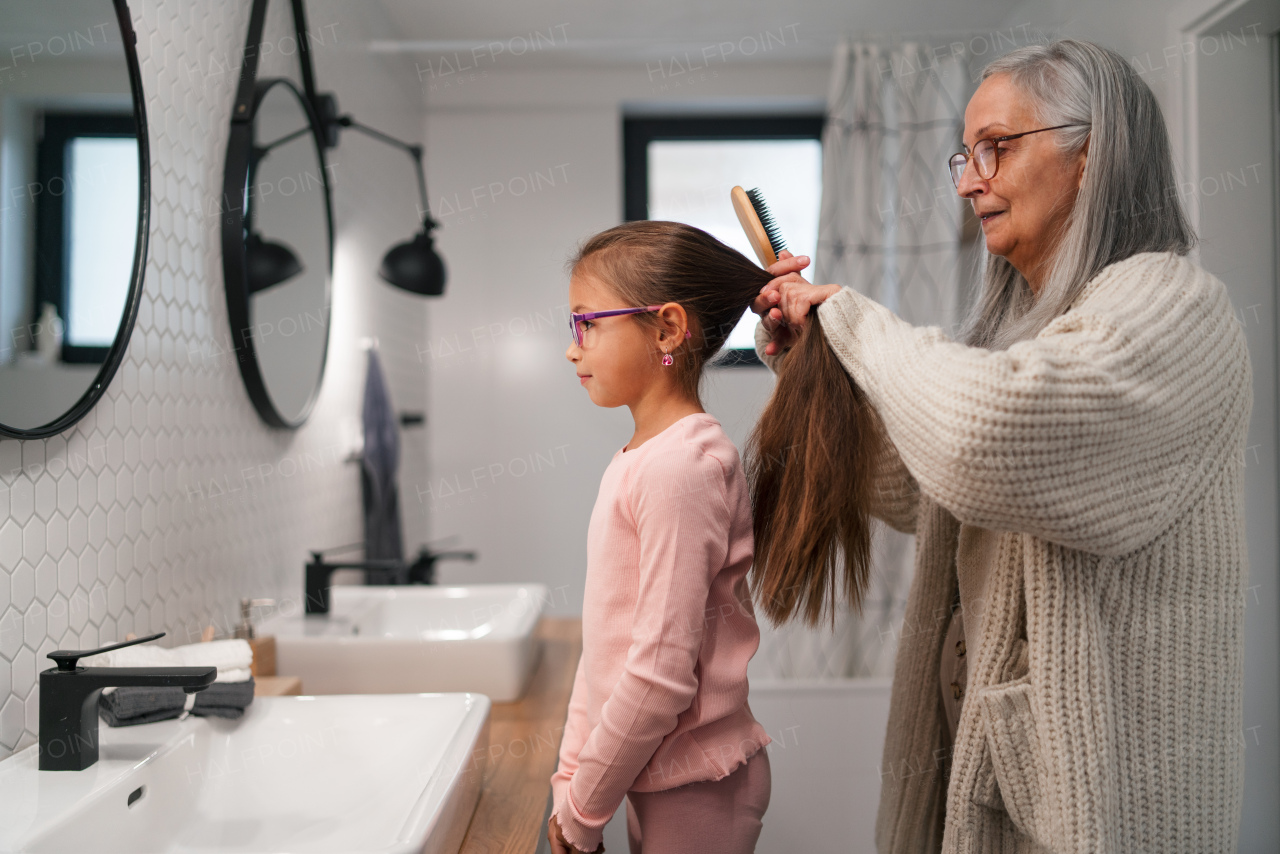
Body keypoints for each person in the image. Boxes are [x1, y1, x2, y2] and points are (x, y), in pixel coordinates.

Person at [749, 39, 1252, 853]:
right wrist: (819, 372)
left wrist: (853, 318)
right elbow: (924, 482)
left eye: (997, 148)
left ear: (1090, 154)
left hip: (1114, 815)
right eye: (963, 155)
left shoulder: (1174, 309)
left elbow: (982, 441)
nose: (969, 180)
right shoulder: (1038, 322)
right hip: (1011, 789)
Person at [548, 221, 773, 854]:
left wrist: (584, 807)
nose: (573, 348)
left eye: (587, 324)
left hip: (699, 784)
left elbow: (659, 675)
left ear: (668, 329)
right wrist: (572, 785)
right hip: (659, 774)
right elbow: (605, 655)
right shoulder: (639, 459)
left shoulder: (682, 467)